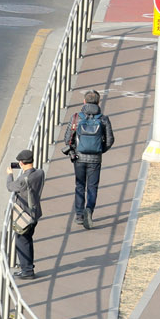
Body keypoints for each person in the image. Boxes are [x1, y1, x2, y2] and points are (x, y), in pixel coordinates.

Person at [59, 90, 114, 230]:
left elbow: (67, 138)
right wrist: (100, 150)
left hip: (79, 157)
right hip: (95, 159)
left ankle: (78, 215)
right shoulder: (103, 119)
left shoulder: (76, 117)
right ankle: (89, 209)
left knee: (79, 186)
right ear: (98, 102)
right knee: (92, 187)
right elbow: (110, 140)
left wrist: (74, 149)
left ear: (84, 101)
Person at [7, 148, 43, 280]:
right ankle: (28, 267)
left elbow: (10, 186)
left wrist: (10, 174)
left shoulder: (23, 179)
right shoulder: (40, 173)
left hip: (24, 215)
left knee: (22, 242)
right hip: (35, 213)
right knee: (28, 240)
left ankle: (27, 270)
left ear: (21, 163)